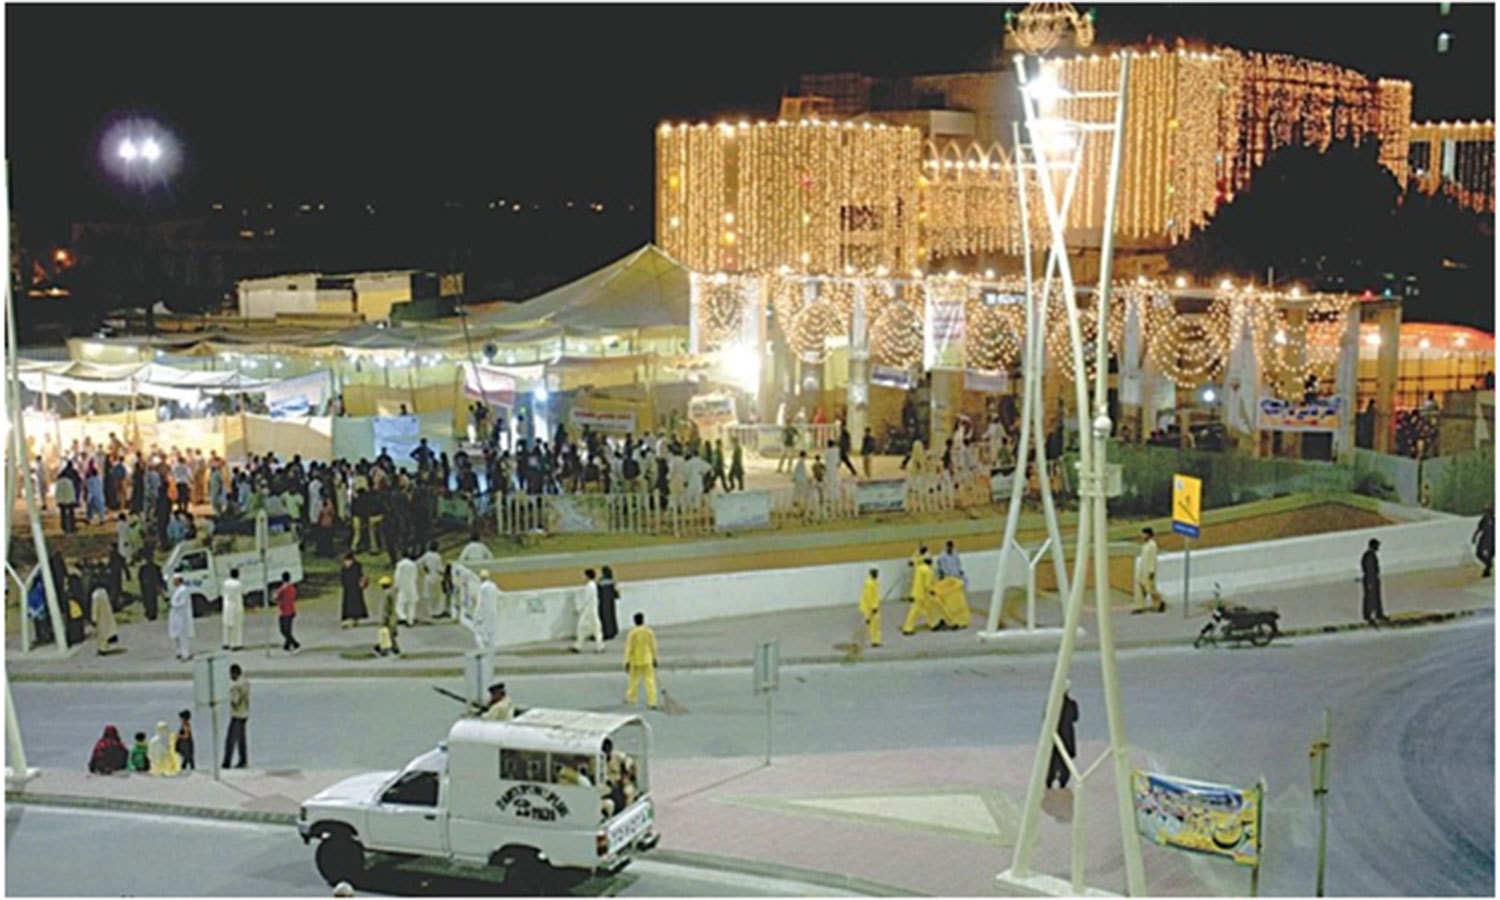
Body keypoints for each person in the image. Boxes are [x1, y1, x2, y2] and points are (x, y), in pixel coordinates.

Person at [1046, 683, 1079, 789]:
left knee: (1052, 760)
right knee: (1065, 761)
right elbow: (1075, 718)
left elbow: (1045, 718)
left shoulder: (1052, 704)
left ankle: (1050, 782)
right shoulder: (1072, 704)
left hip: (1054, 735)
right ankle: (1062, 783)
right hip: (1067, 736)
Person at [623, 611, 659, 710]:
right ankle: (652, 701)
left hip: (635, 660)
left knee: (633, 680)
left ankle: (631, 697)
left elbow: (629, 648)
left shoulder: (632, 633)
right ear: (643, 620)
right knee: (650, 681)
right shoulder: (648, 632)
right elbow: (653, 646)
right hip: (647, 659)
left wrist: (626, 661)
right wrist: (655, 658)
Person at [901, 556, 942, 635]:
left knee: (927, 609)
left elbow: (915, 561)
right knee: (915, 611)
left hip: (916, 593)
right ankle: (907, 628)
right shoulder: (928, 571)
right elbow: (927, 584)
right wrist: (932, 591)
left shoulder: (919, 568)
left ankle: (933, 624)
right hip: (923, 595)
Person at [1132, 528, 1165, 614]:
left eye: (1143, 534)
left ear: (1148, 534)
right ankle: (1139, 606)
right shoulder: (1145, 545)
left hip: (1148, 571)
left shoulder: (1152, 545)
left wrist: (1151, 571)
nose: (1142, 536)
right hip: (1142, 570)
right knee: (1139, 588)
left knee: (1150, 589)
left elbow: (1153, 559)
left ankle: (1160, 602)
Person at [223, 664, 250, 769]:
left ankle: (227, 762)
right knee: (241, 739)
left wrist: (230, 696)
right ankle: (243, 760)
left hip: (237, 715)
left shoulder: (236, 687)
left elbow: (235, 701)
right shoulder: (246, 683)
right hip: (245, 714)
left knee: (230, 740)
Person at [573, 569, 605, 653]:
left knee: (584, 627)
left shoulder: (590, 586)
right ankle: (580, 645)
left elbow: (586, 600)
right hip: (590, 610)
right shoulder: (590, 586)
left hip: (589, 611)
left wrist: (579, 608)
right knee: (592, 628)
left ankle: (580, 645)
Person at [167, 574, 195, 661]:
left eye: (175, 580)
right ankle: (179, 652)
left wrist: (173, 604)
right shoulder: (177, 590)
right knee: (177, 635)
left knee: (183, 635)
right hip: (176, 615)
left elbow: (182, 603)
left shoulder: (184, 590)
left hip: (182, 616)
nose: (173, 582)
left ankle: (185, 654)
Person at [339, 554, 369, 627]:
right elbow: (342, 577)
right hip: (348, 588)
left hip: (355, 588)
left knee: (356, 603)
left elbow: (360, 576)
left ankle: (355, 618)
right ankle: (348, 618)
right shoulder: (344, 568)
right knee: (347, 603)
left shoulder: (357, 566)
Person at [376, 575, 402, 656]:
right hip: (393, 617)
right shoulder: (392, 593)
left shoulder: (386, 595)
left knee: (386, 634)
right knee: (390, 634)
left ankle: (386, 649)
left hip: (389, 618)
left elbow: (385, 608)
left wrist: (383, 619)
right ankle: (393, 649)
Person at [274, 571, 301, 653]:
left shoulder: (282, 589)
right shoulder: (292, 588)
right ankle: (288, 644)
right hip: (291, 610)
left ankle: (294, 643)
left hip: (285, 611)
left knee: (284, 630)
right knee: (287, 629)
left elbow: (276, 597)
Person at [419, 541, 447, 619]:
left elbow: (419, 563)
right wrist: (444, 571)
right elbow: (439, 568)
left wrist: (424, 567)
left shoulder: (426, 555)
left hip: (428, 577)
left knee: (429, 594)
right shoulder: (437, 556)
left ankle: (430, 611)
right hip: (436, 577)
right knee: (436, 595)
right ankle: (436, 611)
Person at [1361, 538, 1386, 624]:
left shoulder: (1370, 555)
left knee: (1375, 597)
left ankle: (1377, 613)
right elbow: (1370, 570)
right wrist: (1371, 582)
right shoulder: (1369, 556)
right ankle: (1369, 615)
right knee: (1370, 597)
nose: (1378, 547)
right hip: (1370, 579)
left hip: (1372, 579)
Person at [221, 567, 245, 651]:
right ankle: (236, 644)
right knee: (236, 626)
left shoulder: (225, 583)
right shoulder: (238, 584)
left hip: (227, 605)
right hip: (236, 606)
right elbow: (242, 592)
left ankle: (226, 643)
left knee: (227, 625)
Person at [394, 550, 420, 626]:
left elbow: (397, 576)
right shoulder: (413, 564)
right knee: (411, 604)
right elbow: (416, 575)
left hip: (403, 586)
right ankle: (410, 620)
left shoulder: (400, 565)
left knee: (400, 604)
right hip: (411, 585)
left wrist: (396, 585)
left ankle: (403, 616)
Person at [859, 567, 882, 648]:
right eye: (875, 572)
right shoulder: (869, 583)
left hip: (874, 606)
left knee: (875, 623)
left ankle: (876, 640)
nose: (876, 574)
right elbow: (869, 597)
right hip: (869, 607)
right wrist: (874, 607)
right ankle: (874, 641)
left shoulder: (875, 582)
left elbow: (875, 595)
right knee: (873, 624)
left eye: (877, 572)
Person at [597, 565, 621, 641]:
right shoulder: (613, 581)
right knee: (611, 616)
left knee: (604, 617)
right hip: (611, 602)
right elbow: (617, 594)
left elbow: (598, 592)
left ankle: (606, 633)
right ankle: (613, 632)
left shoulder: (601, 582)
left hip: (603, 602)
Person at [138, 554, 163, 622]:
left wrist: (160, 586)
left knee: (150, 601)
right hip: (149, 587)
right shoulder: (145, 568)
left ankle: (151, 614)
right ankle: (151, 613)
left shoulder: (153, 568)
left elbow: (159, 578)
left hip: (150, 587)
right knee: (150, 601)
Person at [1473, 504, 1495, 578]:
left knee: (1489, 555)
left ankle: (1487, 569)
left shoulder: (1493, 519)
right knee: (1479, 553)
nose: (1485, 513)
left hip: (1491, 540)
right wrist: (1474, 536)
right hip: (1485, 539)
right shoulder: (1484, 520)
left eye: (1486, 512)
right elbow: (1479, 528)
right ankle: (1488, 565)